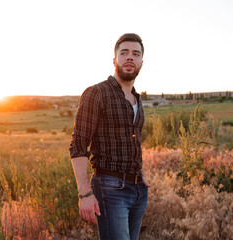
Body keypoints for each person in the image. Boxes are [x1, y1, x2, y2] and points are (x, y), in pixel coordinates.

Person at [69, 33, 150, 240]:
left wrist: (139, 172)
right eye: (124, 53)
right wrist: (85, 193)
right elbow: (78, 144)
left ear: (142, 61)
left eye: (135, 54)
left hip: (138, 191)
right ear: (115, 60)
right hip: (110, 189)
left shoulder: (136, 98)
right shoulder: (96, 93)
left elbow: (133, 140)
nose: (130, 57)